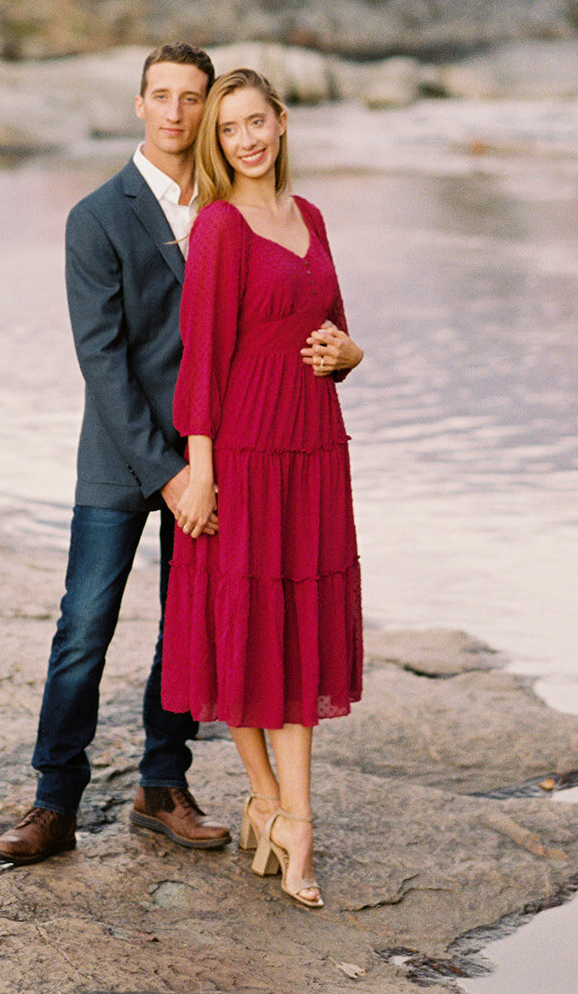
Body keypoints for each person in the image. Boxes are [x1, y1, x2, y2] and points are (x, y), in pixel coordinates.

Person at [0, 43, 231, 864]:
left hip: (212, 457)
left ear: (208, 107)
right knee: (84, 627)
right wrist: (166, 472)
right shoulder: (96, 215)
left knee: (185, 627)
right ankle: (54, 802)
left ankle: (162, 787)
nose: (174, 112)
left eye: (190, 98)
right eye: (160, 96)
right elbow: (102, 359)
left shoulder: (230, 210)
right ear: (138, 105)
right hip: (121, 458)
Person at [160, 67, 364, 908]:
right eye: (230, 129)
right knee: (243, 624)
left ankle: (293, 818)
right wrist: (199, 473)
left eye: (256, 122)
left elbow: (336, 327)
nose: (245, 139)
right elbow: (201, 359)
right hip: (242, 454)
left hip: (314, 449)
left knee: (301, 627)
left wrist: (352, 357)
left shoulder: (309, 216)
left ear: (280, 123)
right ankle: (274, 806)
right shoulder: (218, 227)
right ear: (219, 143)